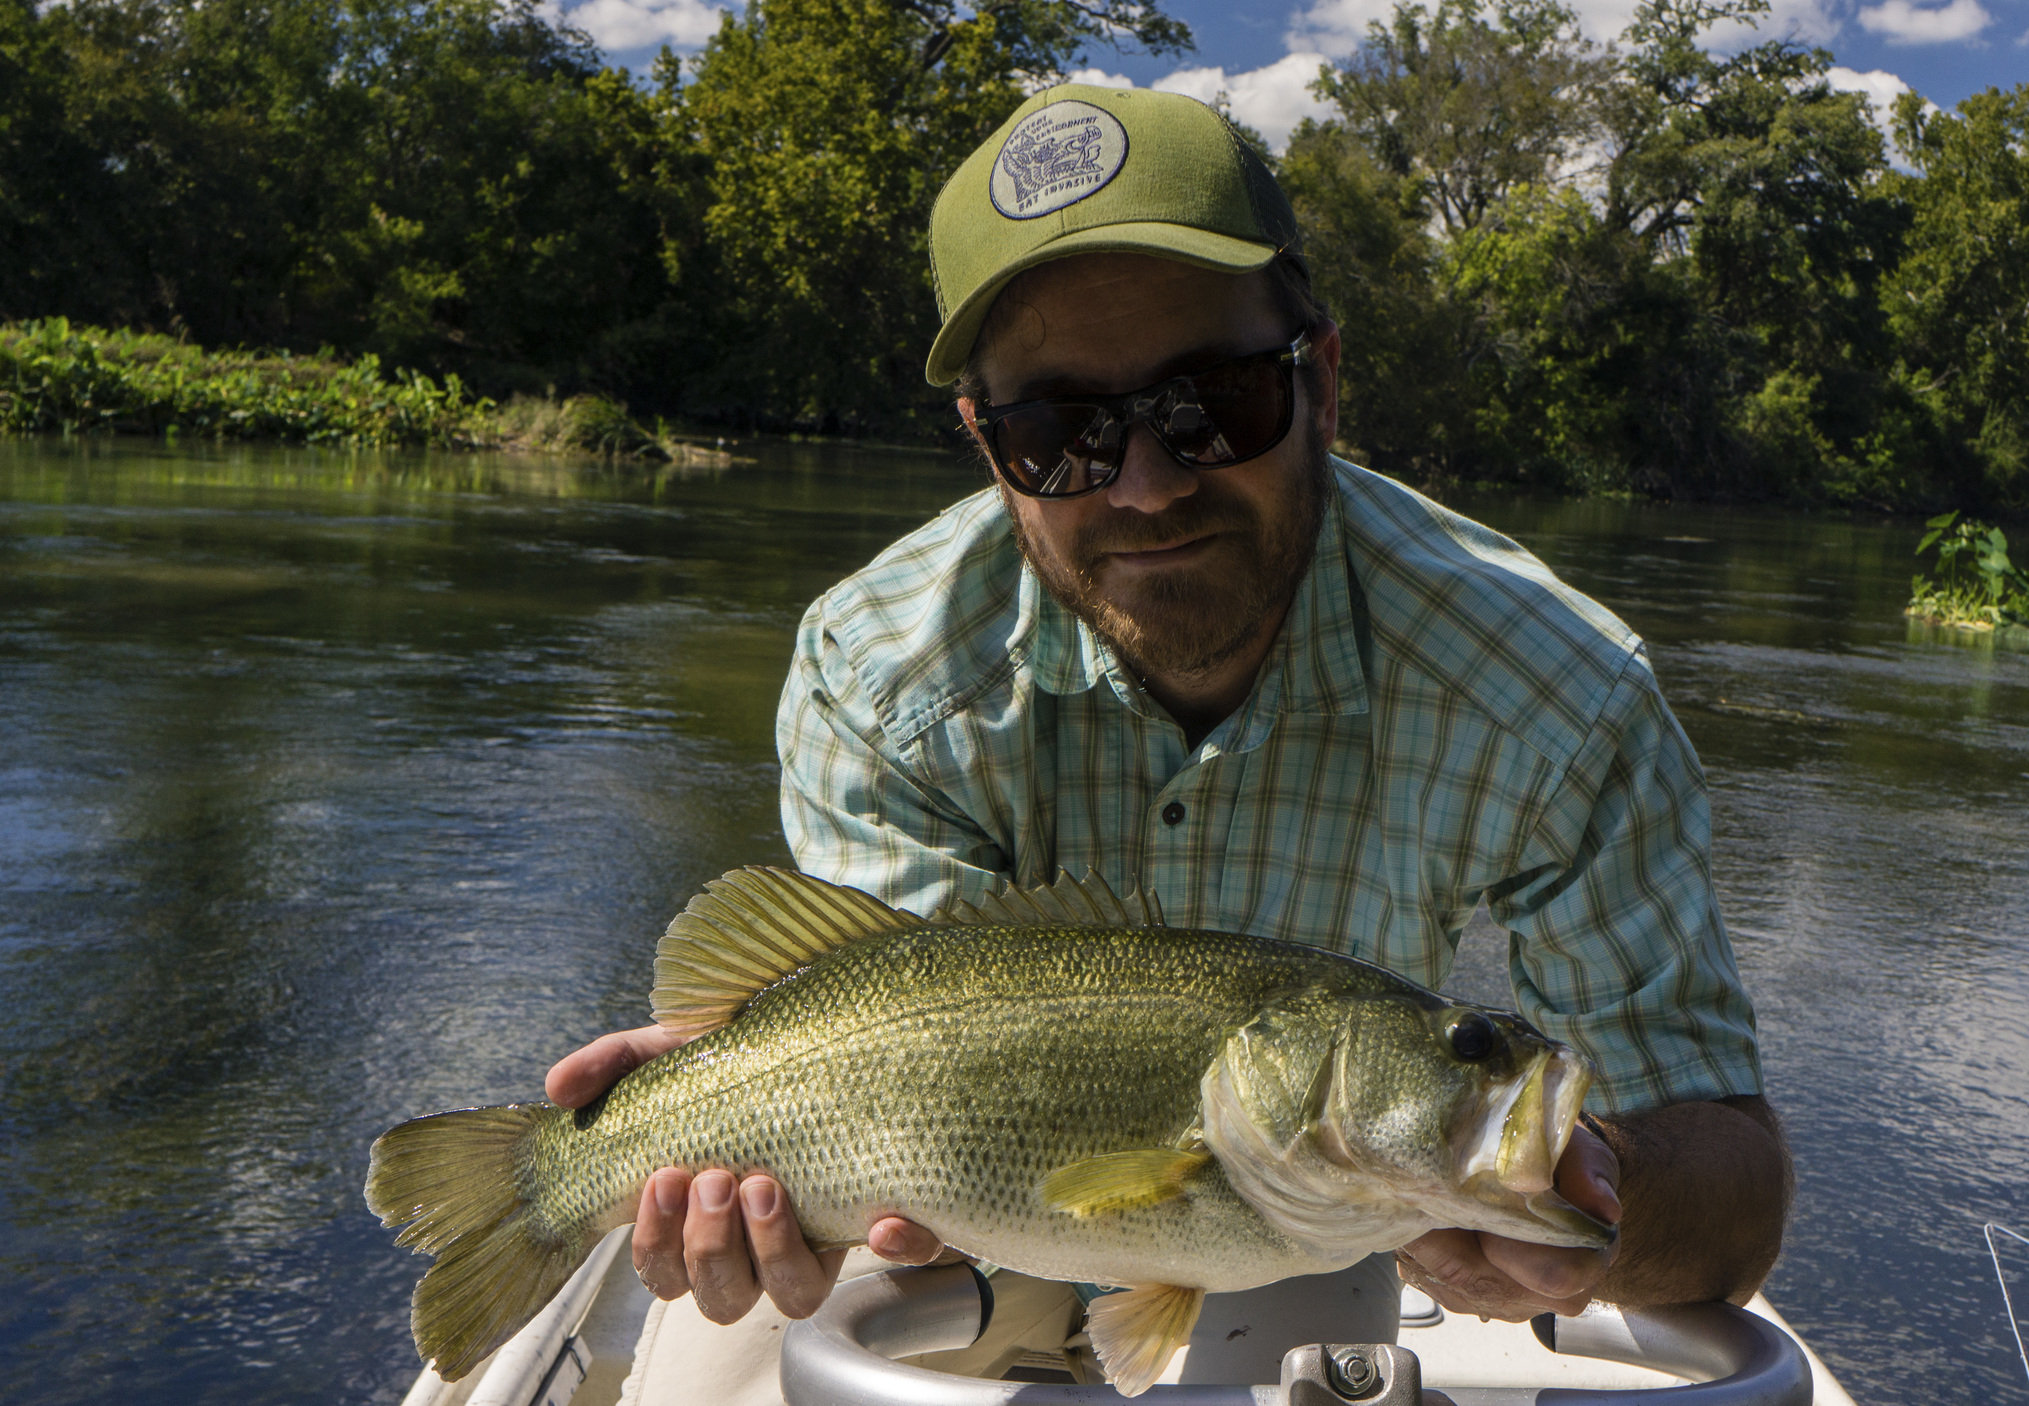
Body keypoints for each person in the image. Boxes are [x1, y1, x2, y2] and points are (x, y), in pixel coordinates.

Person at [544, 83, 1790, 1376]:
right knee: (730, 1357)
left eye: (1214, 403)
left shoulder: (1557, 692)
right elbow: (890, 1060)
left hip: (1312, 1258)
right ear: (984, 446)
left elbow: (1733, 1179)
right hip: (957, 1246)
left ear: (1326, 380)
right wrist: (736, 1162)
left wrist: (1598, 1201)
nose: (1145, 484)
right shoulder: (882, 671)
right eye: (1056, 432)